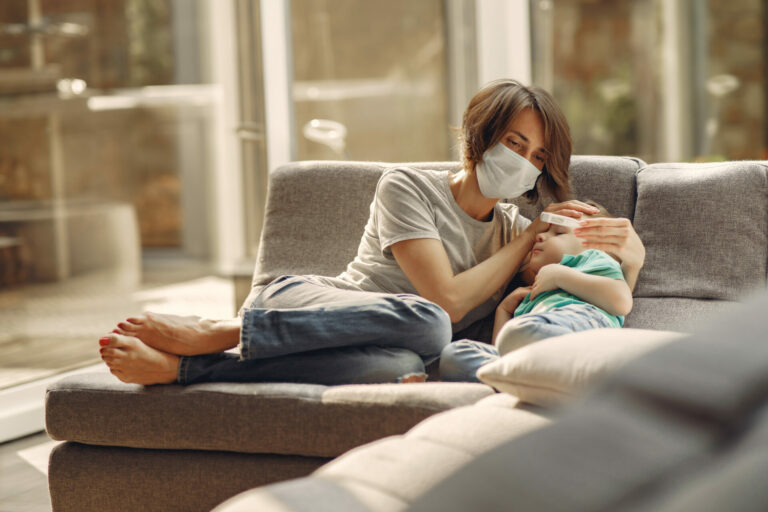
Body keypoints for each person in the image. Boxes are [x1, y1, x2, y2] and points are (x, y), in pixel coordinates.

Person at [98, 79, 646, 386]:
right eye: (515, 143)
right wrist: (528, 241)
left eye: (538, 156)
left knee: (405, 364)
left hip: (383, 344)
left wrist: (635, 256)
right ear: (481, 134)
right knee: (432, 322)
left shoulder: (517, 234)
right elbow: (446, 302)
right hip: (304, 302)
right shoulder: (406, 185)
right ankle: (222, 331)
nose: (525, 163)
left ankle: (191, 367)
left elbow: (591, 287)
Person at [439, 202, 633, 382]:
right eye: (544, 232)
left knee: (518, 334)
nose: (540, 236)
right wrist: (504, 311)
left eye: (558, 233)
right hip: (533, 346)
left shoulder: (592, 260)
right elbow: (503, 351)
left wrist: (559, 276)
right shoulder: (534, 293)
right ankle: (529, 381)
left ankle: (552, 376)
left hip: (579, 332)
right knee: (453, 355)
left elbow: (622, 302)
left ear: (595, 245)